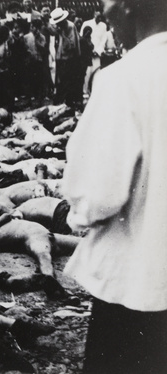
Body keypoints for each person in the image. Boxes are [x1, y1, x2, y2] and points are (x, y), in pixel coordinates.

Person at [62, 0, 167, 372]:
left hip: (137, 286)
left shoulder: (124, 77)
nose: (104, 14)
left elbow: (99, 192)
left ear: (127, 9)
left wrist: (80, 213)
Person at [48, 8, 81, 107]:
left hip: (70, 58)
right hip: (60, 58)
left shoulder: (70, 26)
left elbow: (72, 45)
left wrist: (62, 34)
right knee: (60, 81)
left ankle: (69, 103)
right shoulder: (59, 27)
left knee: (68, 82)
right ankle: (60, 102)